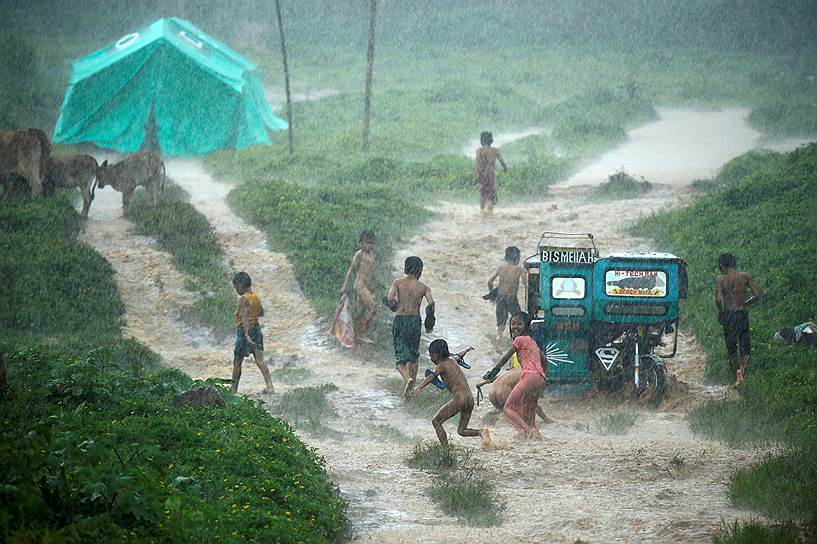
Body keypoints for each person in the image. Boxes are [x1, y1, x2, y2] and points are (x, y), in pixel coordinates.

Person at [411, 340, 491, 447]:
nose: (431, 359)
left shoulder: (440, 366)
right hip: (469, 399)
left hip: (459, 399)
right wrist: (466, 349)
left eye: (430, 356)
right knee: (461, 431)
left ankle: (446, 450)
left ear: (435, 356)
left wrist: (419, 387)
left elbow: (431, 377)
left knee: (436, 422)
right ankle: (481, 432)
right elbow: (459, 355)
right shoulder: (453, 360)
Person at [482, 312, 547, 439]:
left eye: (519, 324)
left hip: (529, 376)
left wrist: (493, 372)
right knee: (530, 413)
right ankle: (535, 434)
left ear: (526, 326)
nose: (515, 327)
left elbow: (505, 357)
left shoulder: (519, 340)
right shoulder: (532, 341)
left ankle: (527, 431)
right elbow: (545, 361)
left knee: (508, 408)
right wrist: (543, 376)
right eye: (512, 323)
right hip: (540, 378)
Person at [386, 256, 435, 397]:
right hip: (414, 321)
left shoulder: (398, 283)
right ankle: (411, 389)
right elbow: (431, 303)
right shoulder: (423, 287)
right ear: (420, 271)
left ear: (406, 268)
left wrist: (394, 306)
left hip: (400, 320)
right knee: (413, 356)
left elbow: (390, 298)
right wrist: (430, 319)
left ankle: (407, 379)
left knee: (400, 358)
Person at [715, 253, 761, 384]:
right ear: (734, 263)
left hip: (729, 315)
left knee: (732, 347)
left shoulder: (721, 280)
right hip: (742, 314)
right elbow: (756, 295)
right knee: (744, 344)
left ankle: (736, 376)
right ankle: (742, 370)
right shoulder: (745, 276)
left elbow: (719, 299)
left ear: (723, 265)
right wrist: (745, 303)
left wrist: (721, 312)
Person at [231, 272, 274, 395]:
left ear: (240, 285)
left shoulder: (243, 298)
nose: (236, 291)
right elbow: (261, 313)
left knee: (237, 362)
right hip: (256, 328)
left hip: (245, 331)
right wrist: (245, 313)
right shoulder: (256, 297)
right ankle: (270, 386)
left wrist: (246, 333)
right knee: (260, 360)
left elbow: (244, 317)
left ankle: (233, 391)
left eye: (236, 288)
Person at [487, 246, 526, 353]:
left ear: (506, 257)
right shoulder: (519, 269)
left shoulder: (501, 269)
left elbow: (490, 282)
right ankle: (517, 343)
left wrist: (492, 296)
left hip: (500, 298)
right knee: (518, 320)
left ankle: (498, 341)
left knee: (501, 323)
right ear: (517, 258)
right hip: (512, 298)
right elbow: (527, 284)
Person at [476, 369, 552, 424]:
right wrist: (546, 419)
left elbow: (496, 377)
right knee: (518, 416)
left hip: (492, 393)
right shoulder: (532, 379)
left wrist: (482, 383)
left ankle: (487, 422)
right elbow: (533, 404)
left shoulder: (516, 371)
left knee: (502, 412)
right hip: (503, 392)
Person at [340, 231, 377, 344]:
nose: (369, 245)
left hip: (366, 286)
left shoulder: (371, 255)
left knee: (360, 311)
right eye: (366, 243)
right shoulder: (359, 254)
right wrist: (344, 286)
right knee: (373, 307)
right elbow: (351, 271)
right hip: (360, 285)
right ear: (361, 243)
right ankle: (363, 333)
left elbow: (370, 274)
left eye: (371, 243)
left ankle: (355, 333)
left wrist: (372, 289)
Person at [474, 131, 507, 215]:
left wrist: (477, 177)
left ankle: (482, 212)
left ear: (482, 140)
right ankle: (490, 214)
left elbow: (477, 164)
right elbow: (502, 161)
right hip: (491, 176)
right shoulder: (495, 150)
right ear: (491, 140)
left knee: (482, 195)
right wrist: (505, 167)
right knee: (491, 196)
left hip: (482, 176)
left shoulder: (479, 151)